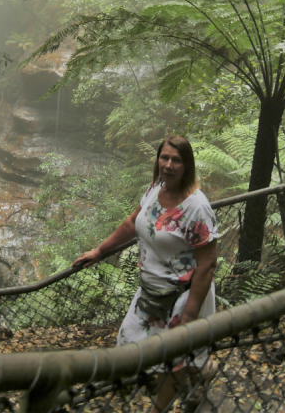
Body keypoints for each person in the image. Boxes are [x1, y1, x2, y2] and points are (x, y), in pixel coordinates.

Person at [73, 135, 218, 412]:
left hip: (183, 296)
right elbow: (132, 222)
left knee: (175, 360)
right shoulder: (155, 188)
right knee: (128, 342)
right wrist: (100, 250)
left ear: (187, 165)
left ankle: (159, 407)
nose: (169, 164)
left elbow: (208, 262)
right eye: (164, 157)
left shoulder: (196, 207)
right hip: (151, 291)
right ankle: (201, 373)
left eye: (176, 160)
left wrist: (189, 315)